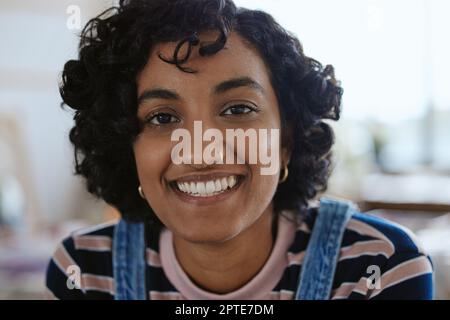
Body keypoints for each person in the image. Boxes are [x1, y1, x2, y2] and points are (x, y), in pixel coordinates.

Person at [46, 0, 433, 300]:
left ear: (286, 141)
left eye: (238, 109)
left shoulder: (381, 266)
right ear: (125, 146)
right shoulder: (83, 272)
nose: (201, 151)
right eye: (163, 118)